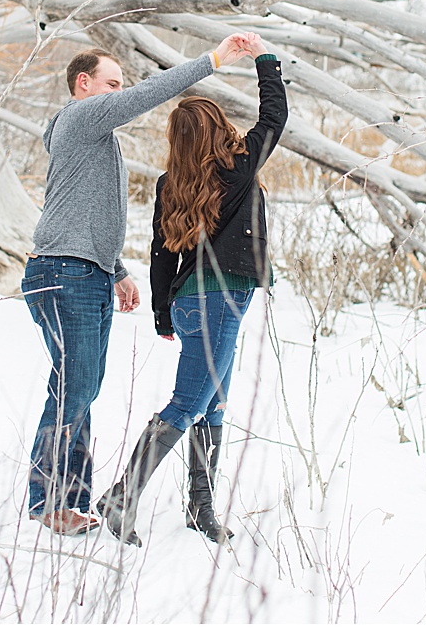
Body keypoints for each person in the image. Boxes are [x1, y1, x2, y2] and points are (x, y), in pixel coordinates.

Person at [23, 32, 256, 536]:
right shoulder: (82, 115)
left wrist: (117, 270)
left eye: (120, 85)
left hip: (84, 270)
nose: (119, 93)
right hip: (64, 272)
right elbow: (144, 96)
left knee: (80, 387)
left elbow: (78, 213)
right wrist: (214, 59)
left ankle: (67, 500)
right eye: (111, 84)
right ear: (82, 84)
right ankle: (49, 502)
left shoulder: (93, 139)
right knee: (75, 387)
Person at [98, 32, 286, 546]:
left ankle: (200, 508)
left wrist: (163, 314)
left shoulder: (170, 182)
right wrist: (265, 59)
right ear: (220, 129)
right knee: (188, 403)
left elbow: (161, 252)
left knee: (214, 401)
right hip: (221, 300)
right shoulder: (237, 166)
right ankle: (121, 496)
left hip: (189, 302)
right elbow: (274, 118)